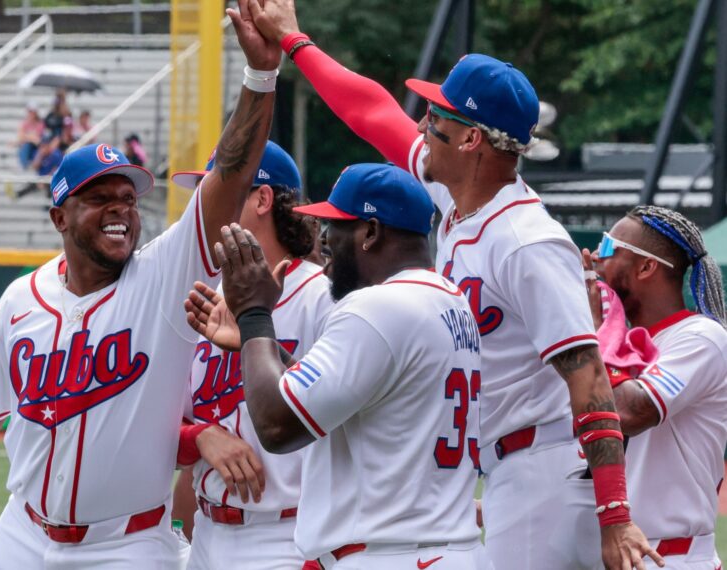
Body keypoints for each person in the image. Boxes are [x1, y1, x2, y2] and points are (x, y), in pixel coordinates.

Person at [247, 2, 663, 568]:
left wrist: (616, 517)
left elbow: (589, 382)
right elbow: (372, 111)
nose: (423, 124)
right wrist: (297, 44)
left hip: (542, 468)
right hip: (501, 468)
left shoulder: (528, 241)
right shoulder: (457, 198)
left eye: (438, 116)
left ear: (472, 141)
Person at [0, 2, 283, 566]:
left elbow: (232, 171)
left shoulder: (162, 278)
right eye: (99, 198)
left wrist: (259, 77)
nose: (119, 209)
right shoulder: (21, 300)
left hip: (126, 544)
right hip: (23, 534)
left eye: (128, 198)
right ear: (60, 217)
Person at [205, 163, 491, 569]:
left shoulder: (376, 307)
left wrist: (254, 315)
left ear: (371, 233)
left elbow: (276, 426)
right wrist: (262, 346)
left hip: (392, 554)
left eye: (335, 227)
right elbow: (357, 392)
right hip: (442, 547)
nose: (322, 242)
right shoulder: (450, 298)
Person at [172, 141, 333, 569]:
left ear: (263, 199)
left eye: (222, 193)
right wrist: (200, 437)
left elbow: (350, 415)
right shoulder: (202, 297)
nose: (206, 209)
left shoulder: (322, 296)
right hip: (207, 535)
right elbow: (154, 422)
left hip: (288, 535)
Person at [583, 205, 727, 570]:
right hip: (613, 550)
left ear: (647, 267)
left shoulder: (701, 338)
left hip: (671, 557)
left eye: (608, 247)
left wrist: (599, 332)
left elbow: (629, 412)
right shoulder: (620, 343)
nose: (595, 258)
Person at [16, 102, 45, 170]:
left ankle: (26, 168)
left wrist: (27, 136)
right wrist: (31, 137)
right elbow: (20, 138)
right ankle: (25, 167)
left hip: (36, 148)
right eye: (30, 111)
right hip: (28, 147)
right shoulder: (25, 123)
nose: (31, 113)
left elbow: (38, 141)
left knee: (28, 146)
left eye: (32, 111)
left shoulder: (40, 123)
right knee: (26, 146)